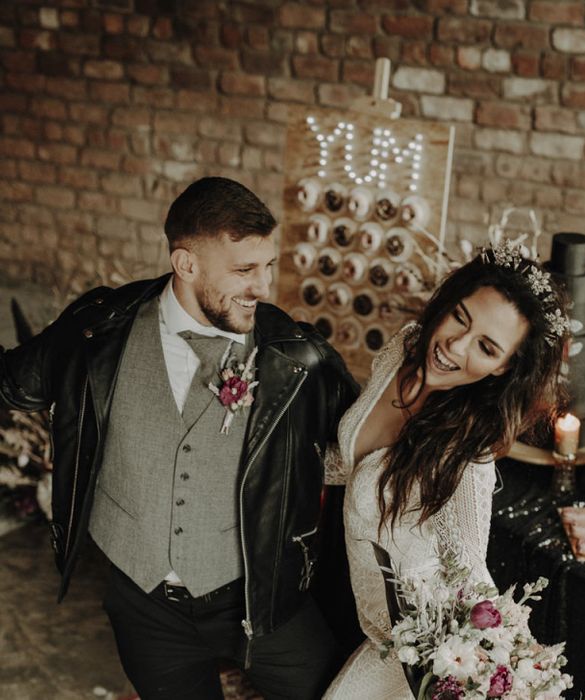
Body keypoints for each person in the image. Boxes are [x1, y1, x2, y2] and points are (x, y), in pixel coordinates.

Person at [0, 176, 359, 700]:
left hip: (262, 597)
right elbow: (15, 383)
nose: (262, 288)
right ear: (186, 264)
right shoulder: (98, 332)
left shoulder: (295, 354)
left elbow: (356, 446)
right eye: (243, 271)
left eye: (268, 267)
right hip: (142, 602)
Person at [323, 240, 570, 699]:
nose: (454, 346)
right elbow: (354, 462)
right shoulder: (404, 349)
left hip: (422, 655)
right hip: (367, 626)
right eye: (460, 316)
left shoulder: (466, 457)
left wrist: (503, 676)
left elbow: (472, 576)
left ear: (502, 368)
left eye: (486, 346)